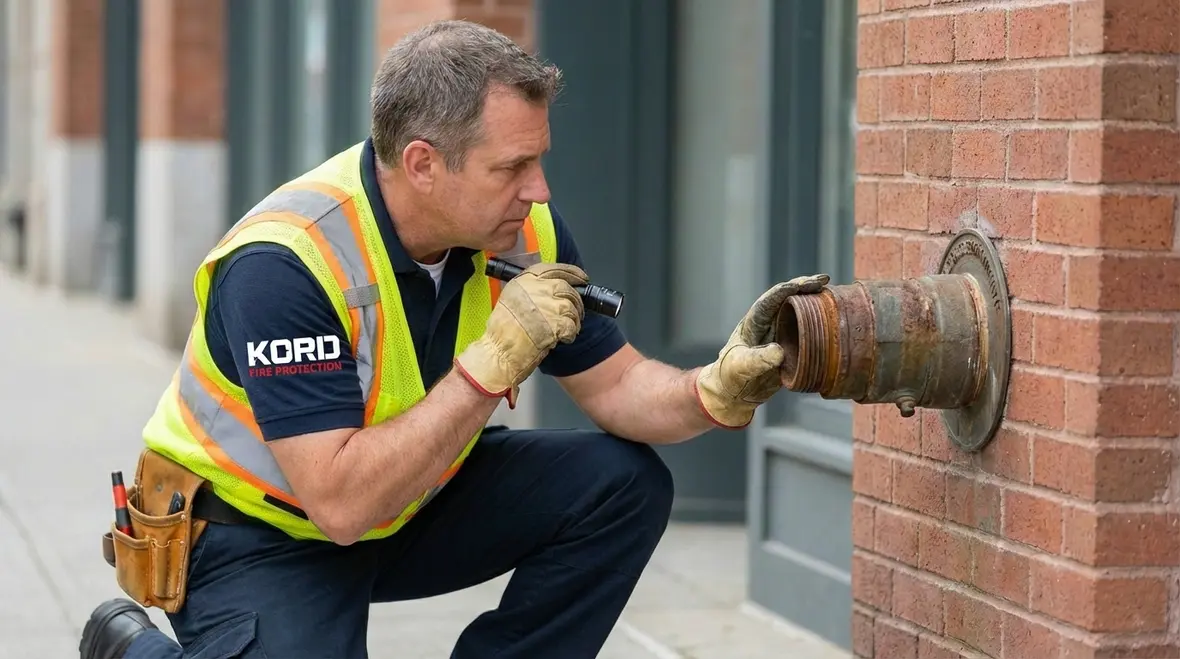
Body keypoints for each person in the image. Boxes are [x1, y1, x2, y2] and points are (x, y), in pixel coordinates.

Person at [79, 19, 827, 659]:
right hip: (258, 531)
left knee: (623, 484)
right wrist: (491, 363)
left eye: (539, 158)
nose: (539, 189)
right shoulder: (286, 263)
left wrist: (711, 390)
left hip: (407, 497)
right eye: (513, 167)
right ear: (423, 164)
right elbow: (340, 504)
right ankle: (135, 648)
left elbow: (618, 383)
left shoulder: (522, 230)